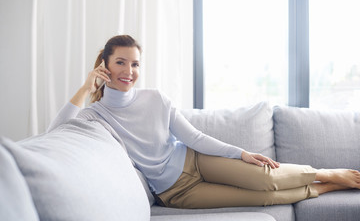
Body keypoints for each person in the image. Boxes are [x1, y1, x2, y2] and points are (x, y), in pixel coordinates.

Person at [48, 34, 360, 208]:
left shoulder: (155, 98)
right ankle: (327, 188)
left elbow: (195, 137)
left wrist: (241, 153)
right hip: (174, 193)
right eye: (120, 63)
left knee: (267, 179)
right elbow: (57, 133)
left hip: (195, 160)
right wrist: (85, 88)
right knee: (263, 198)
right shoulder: (95, 115)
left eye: (135, 64)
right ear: (104, 65)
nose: (129, 71)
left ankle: (325, 173)